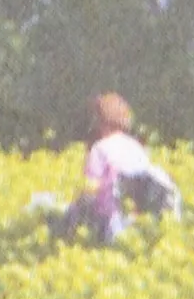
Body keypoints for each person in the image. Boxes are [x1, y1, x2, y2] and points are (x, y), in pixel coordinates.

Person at [63, 93, 179, 244]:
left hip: (108, 221)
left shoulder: (100, 149)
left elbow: (90, 190)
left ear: (100, 122)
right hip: (136, 217)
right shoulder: (137, 147)